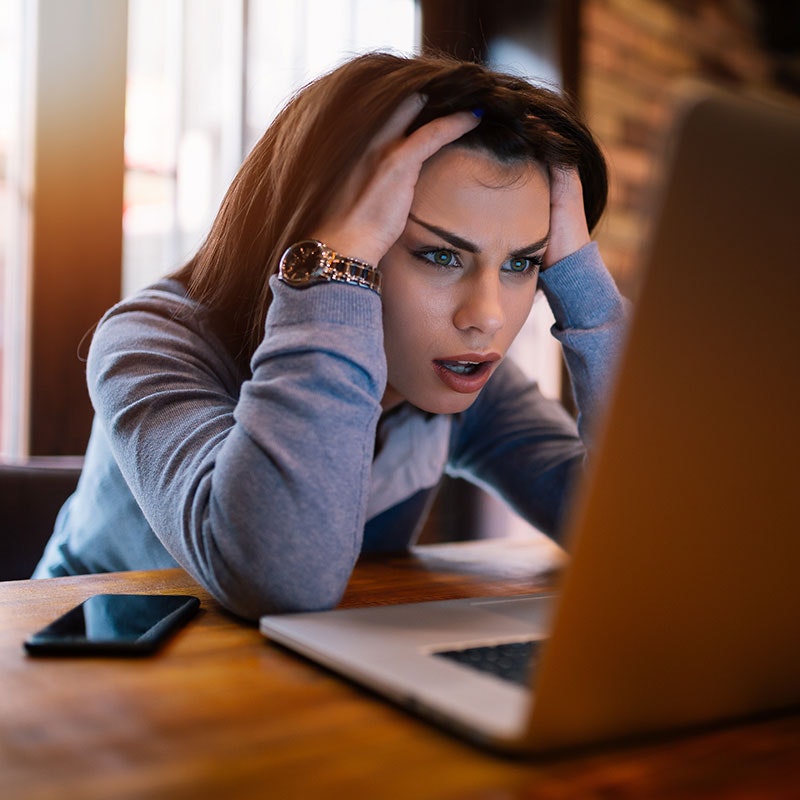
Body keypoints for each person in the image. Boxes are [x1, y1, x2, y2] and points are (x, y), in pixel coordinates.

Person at [34, 52, 628, 620]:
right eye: (440, 255)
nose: (488, 316)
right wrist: (334, 267)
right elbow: (279, 578)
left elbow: (641, 536)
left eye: (523, 263)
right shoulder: (150, 342)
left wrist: (584, 285)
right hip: (64, 682)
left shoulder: (459, 370)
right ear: (334, 236)